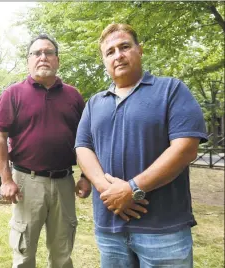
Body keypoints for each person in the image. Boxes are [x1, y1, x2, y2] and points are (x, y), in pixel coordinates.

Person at [75, 23, 208, 267]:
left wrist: (133, 188)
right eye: (110, 51)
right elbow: (83, 149)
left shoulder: (171, 90)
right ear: (104, 60)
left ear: (140, 50)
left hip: (163, 229)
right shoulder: (94, 103)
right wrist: (109, 190)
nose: (118, 55)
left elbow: (186, 148)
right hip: (110, 229)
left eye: (124, 47)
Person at [0, 34, 91, 268]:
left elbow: (87, 140)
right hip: (27, 182)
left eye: (48, 53)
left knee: (62, 253)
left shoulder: (73, 96)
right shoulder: (12, 94)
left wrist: (86, 177)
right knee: (24, 253)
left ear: (57, 60)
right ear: (28, 60)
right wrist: (6, 179)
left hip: (65, 181)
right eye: (37, 53)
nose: (43, 57)